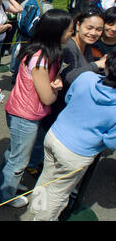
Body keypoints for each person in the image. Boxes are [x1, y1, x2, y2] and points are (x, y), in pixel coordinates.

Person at [0, 9, 74, 208]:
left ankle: (4, 183)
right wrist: (56, 88)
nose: (71, 34)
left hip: (23, 112)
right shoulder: (41, 59)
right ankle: (3, 195)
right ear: (56, 32)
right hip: (25, 116)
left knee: (14, 153)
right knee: (19, 159)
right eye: (69, 30)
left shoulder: (41, 52)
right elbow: (47, 97)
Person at [30, 49, 116, 221]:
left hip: (54, 135)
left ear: (106, 65)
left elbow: (69, 99)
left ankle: (36, 207)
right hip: (77, 153)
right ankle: (42, 218)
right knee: (58, 192)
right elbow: (111, 141)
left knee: (47, 176)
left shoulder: (86, 78)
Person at [28, 6, 107, 176]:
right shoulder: (70, 46)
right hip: (56, 101)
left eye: (98, 29)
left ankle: (38, 160)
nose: (94, 33)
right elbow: (68, 76)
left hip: (66, 103)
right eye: (89, 27)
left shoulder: (86, 46)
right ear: (78, 26)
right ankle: (32, 163)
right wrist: (96, 65)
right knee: (43, 134)